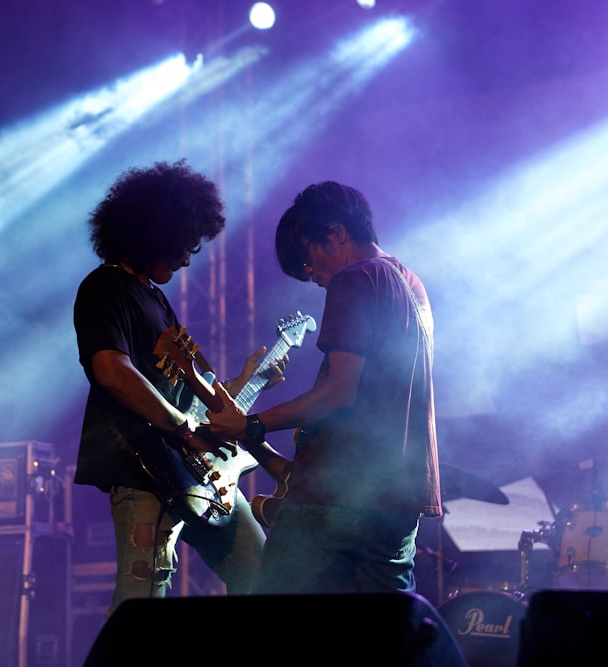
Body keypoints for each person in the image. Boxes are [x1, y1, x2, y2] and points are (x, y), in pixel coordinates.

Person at [207, 180, 442, 594]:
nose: (310, 275)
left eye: (307, 260)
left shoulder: (355, 278)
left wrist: (251, 426)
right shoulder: (411, 284)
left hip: (337, 495)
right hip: (398, 498)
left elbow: (338, 394)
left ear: (336, 233)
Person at [73, 159, 282, 613]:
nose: (191, 255)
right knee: (144, 595)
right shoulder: (103, 287)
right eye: (185, 243)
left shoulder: (157, 299)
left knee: (261, 572)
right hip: (142, 466)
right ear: (154, 233)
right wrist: (185, 428)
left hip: (196, 471)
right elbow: (112, 370)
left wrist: (249, 380)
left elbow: (190, 391)